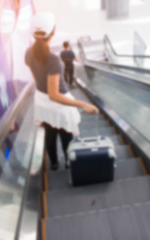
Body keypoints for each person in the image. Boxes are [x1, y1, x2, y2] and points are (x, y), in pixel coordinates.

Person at [25, 12, 98, 170]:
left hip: (41, 101)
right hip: (58, 104)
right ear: (53, 32)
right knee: (66, 135)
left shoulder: (28, 53)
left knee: (50, 135)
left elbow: (36, 73)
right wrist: (82, 104)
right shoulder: (52, 60)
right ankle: (68, 161)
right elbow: (54, 94)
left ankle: (54, 163)